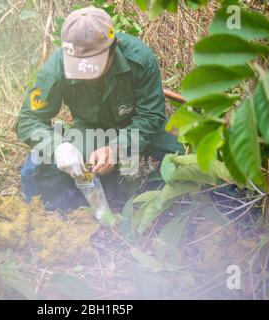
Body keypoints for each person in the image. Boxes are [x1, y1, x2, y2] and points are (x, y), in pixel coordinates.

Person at [15, 7, 183, 211]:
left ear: (113, 48)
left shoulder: (140, 58)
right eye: (78, 65)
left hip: (138, 126)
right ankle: (65, 212)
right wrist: (58, 146)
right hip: (92, 129)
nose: (86, 74)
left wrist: (116, 148)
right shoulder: (56, 68)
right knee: (37, 166)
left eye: (93, 65)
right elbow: (27, 119)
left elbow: (150, 116)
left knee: (184, 154)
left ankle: (161, 196)